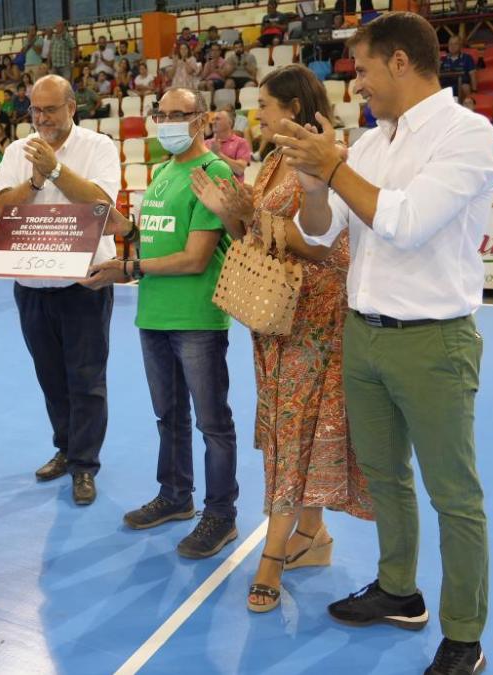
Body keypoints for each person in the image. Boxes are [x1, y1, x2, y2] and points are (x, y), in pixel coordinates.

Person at [274, 13, 493, 675]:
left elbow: (403, 222)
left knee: (454, 494)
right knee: (387, 477)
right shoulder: (370, 146)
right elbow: (320, 232)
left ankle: (465, 635)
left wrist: (333, 166)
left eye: (364, 69)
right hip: (364, 336)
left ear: (400, 62)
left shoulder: (468, 137)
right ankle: (400, 588)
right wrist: (316, 188)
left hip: (434, 342)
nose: (357, 83)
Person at [191, 65, 375, 611]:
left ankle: (272, 555)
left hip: (314, 322)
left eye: (266, 105)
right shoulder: (272, 161)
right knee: (290, 431)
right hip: (277, 318)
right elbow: (256, 231)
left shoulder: (324, 162)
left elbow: (327, 248)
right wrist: (233, 216)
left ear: (294, 109)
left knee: (295, 435)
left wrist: (255, 219)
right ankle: (312, 537)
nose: (258, 115)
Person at [82, 88, 240, 559]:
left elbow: (195, 258)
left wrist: (129, 269)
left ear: (202, 119)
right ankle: (175, 496)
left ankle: (221, 514)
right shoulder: (163, 173)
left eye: (179, 114)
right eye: (162, 114)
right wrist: (124, 230)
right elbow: (154, 239)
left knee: (213, 421)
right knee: (169, 415)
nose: (168, 122)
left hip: (196, 316)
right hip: (153, 313)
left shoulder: (214, 173)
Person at [0, 75, 123, 505]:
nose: (42, 117)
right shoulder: (16, 151)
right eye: (35, 110)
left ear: (71, 107)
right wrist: (32, 182)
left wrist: (56, 171)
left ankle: (85, 466)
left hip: (83, 282)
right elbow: (1, 207)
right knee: (51, 377)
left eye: (50, 109)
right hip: (30, 282)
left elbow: (100, 204)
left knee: (87, 378)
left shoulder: (98, 146)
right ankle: (65, 449)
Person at [206, 110, 251, 177]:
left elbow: (240, 170)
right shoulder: (206, 143)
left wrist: (218, 154)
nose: (213, 122)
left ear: (229, 123)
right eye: (213, 119)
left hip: (230, 186)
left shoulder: (241, 143)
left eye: (217, 119)